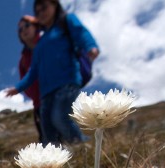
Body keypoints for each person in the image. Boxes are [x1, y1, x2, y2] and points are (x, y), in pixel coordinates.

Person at [7, 0, 99, 146]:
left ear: (55, 5)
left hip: (67, 83)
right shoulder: (40, 45)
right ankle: (56, 162)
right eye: (37, 11)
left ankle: (82, 147)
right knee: (47, 130)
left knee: (60, 118)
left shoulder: (66, 21)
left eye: (44, 8)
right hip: (45, 95)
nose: (41, 13)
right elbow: (33, 71)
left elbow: (81, 33)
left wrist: (91, 46)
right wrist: (18, 87)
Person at [17, 15, 43, 143]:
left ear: (36, 26)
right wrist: (35, 96)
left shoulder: (49, 44)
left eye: (27, 25)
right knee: (45, 138)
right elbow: (24, 82)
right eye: (20, 29)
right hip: (39, 104)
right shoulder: (23, 60)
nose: (24, 30)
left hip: (58, 98)